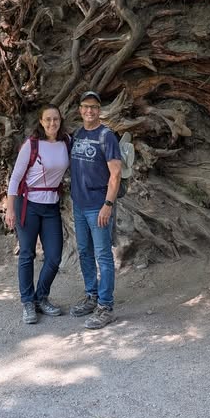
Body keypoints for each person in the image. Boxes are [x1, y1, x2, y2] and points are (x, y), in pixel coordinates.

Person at [5, 104, 69, 325]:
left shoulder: (66, 143)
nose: (52, 123)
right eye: (48, 119)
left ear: (60, 121)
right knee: (27, 254)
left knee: (54, 256)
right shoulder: (32, 145)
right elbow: (15, 178)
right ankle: (28, 302)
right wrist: (10, 208)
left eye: (56, 119)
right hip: (28, 204)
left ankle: (41, 297)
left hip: (51, 205)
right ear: (41, 122)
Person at [69, 90, 122, 330]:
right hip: (79, 206)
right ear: (80, 109)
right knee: (84, 252)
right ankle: (91, 296)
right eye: (85, 106)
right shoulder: (77, 134)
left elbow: (116, 174)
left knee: (103, 256)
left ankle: (106, 306)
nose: (89, 110)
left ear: (99, 110)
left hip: (98, 206)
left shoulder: (107, 136)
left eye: (93, 107)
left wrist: (107, 205)